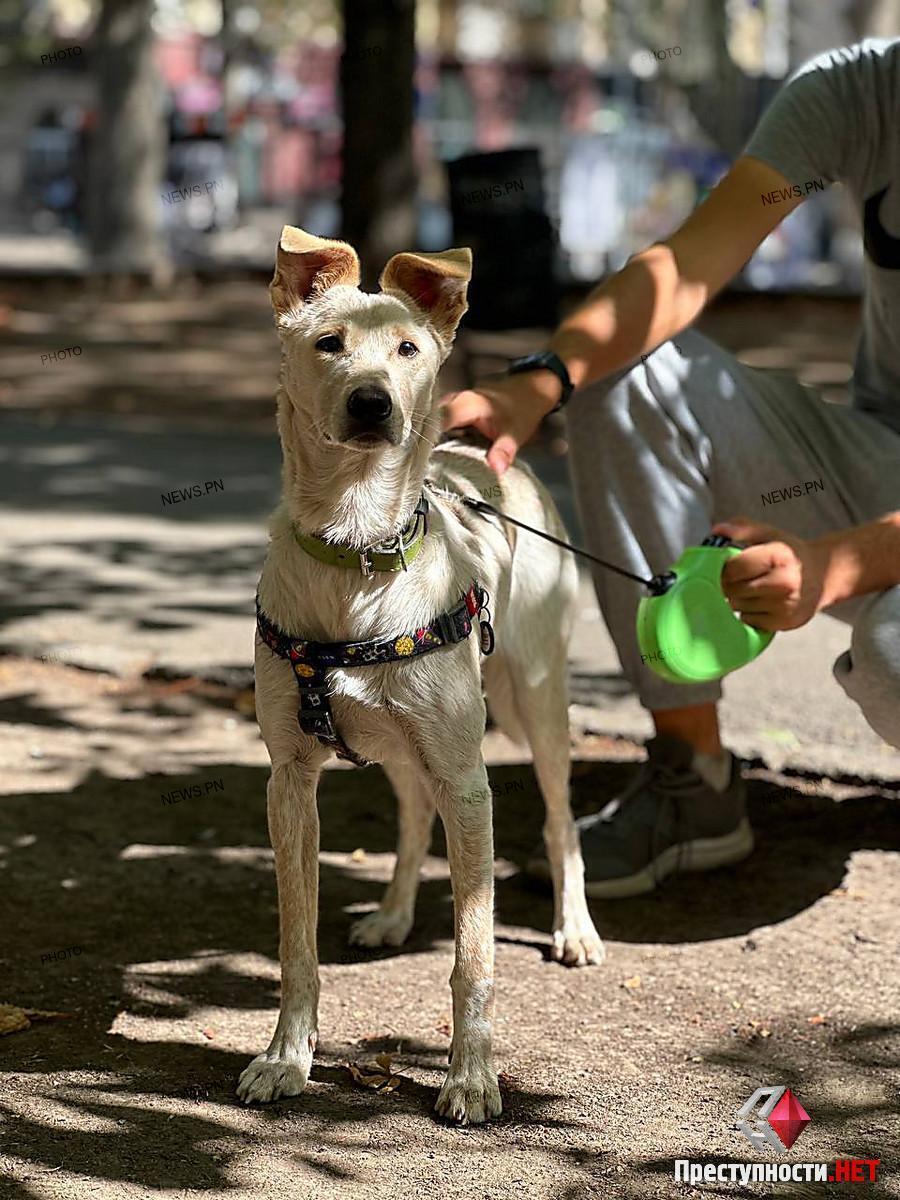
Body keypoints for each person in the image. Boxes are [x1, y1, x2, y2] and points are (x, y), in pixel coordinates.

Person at [441, 39, 900, 898]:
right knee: (627, 366)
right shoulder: (862, 90)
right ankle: (695, 781)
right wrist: (540, 381)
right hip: (882, 456)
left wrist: (834, 567)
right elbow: (688, 264)